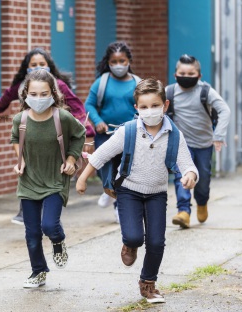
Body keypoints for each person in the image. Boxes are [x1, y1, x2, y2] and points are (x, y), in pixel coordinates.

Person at [77, 78, 198, 304]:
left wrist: (190, 175)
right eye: (144, 107)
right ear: (136, 108)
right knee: (134, 236)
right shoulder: (129, 131)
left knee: (156, 242)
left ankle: (148, 283)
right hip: (129, 192)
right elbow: (102, 154)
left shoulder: (174, 134)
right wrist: (83, 178)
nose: (150, 111)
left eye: (155, 106)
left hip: (157, 193)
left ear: (165, 105)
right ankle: (130, 243)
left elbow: (187, 163)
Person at [0, 47, 95, 224]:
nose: (38, 67)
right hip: (30, 134)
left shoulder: (58, 85)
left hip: (53, 135)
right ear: (26, 68)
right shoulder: (23, 85)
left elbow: (76, 106)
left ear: (49, 66)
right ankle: (26, 211)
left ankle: (51, 216)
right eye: (33, 64)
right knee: (28, 170)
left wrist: (86, 130)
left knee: (50, 175)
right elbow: (7, 96)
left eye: (42, 64)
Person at [11, 69, 85, 288]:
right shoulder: (20, 119)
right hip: (29, 181)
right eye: (34, 94)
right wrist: (20, 158)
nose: (39, 98)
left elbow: (79, 135)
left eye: (44, 94)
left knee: (49, 226)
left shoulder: (61, 117)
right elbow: (16, 139)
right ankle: (38, 271)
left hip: (55, 180)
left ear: (53, 93)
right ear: (25, 94)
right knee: (32, 233)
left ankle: (58, 240)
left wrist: (71, 160)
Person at [167, 54, 231, 228]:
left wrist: (218, 136)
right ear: (175, 74)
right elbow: (157, 109)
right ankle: (184, 211)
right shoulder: (169, 92)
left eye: (191, 73)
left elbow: (224, 110)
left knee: (202, 180)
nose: (186, 77)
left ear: (199, 76)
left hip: (203, 144)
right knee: (181, 176)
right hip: (181, 145)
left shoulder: (206, 91)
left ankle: (202, 202)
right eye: (182, 73)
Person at [84, 42, 140, 221]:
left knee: (122, 170)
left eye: (122, 61)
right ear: (108, 62)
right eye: (114, 61)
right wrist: (98, 121)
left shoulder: (137, 83)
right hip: (106, 133)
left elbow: (143, 105)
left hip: (129, 134)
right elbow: (89, 104)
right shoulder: (102, 82)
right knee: (102, 166)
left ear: (129, 61)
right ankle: (107, 188)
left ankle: (118, 205)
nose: (118, 65)